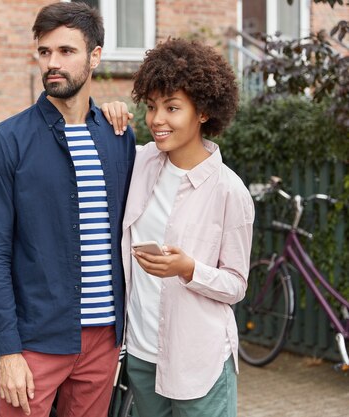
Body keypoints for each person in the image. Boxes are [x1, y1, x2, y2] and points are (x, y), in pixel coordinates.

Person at [0, 2, 136, 416]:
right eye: (45, 52)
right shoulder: (6, 141)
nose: (53, 63)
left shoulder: (119, 137)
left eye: (66, 51)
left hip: (104, 340)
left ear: (95, 57)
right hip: (36, 343)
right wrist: (8, 350)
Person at [101, 39, 255, 416]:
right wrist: (105, 113)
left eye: (172, 108)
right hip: (140, 352)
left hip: (197, 360)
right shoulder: (139, 162)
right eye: (151, 107)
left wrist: (189, 270)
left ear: (202, 111)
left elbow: (235, 284)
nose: (157, 120)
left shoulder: (229, 191)